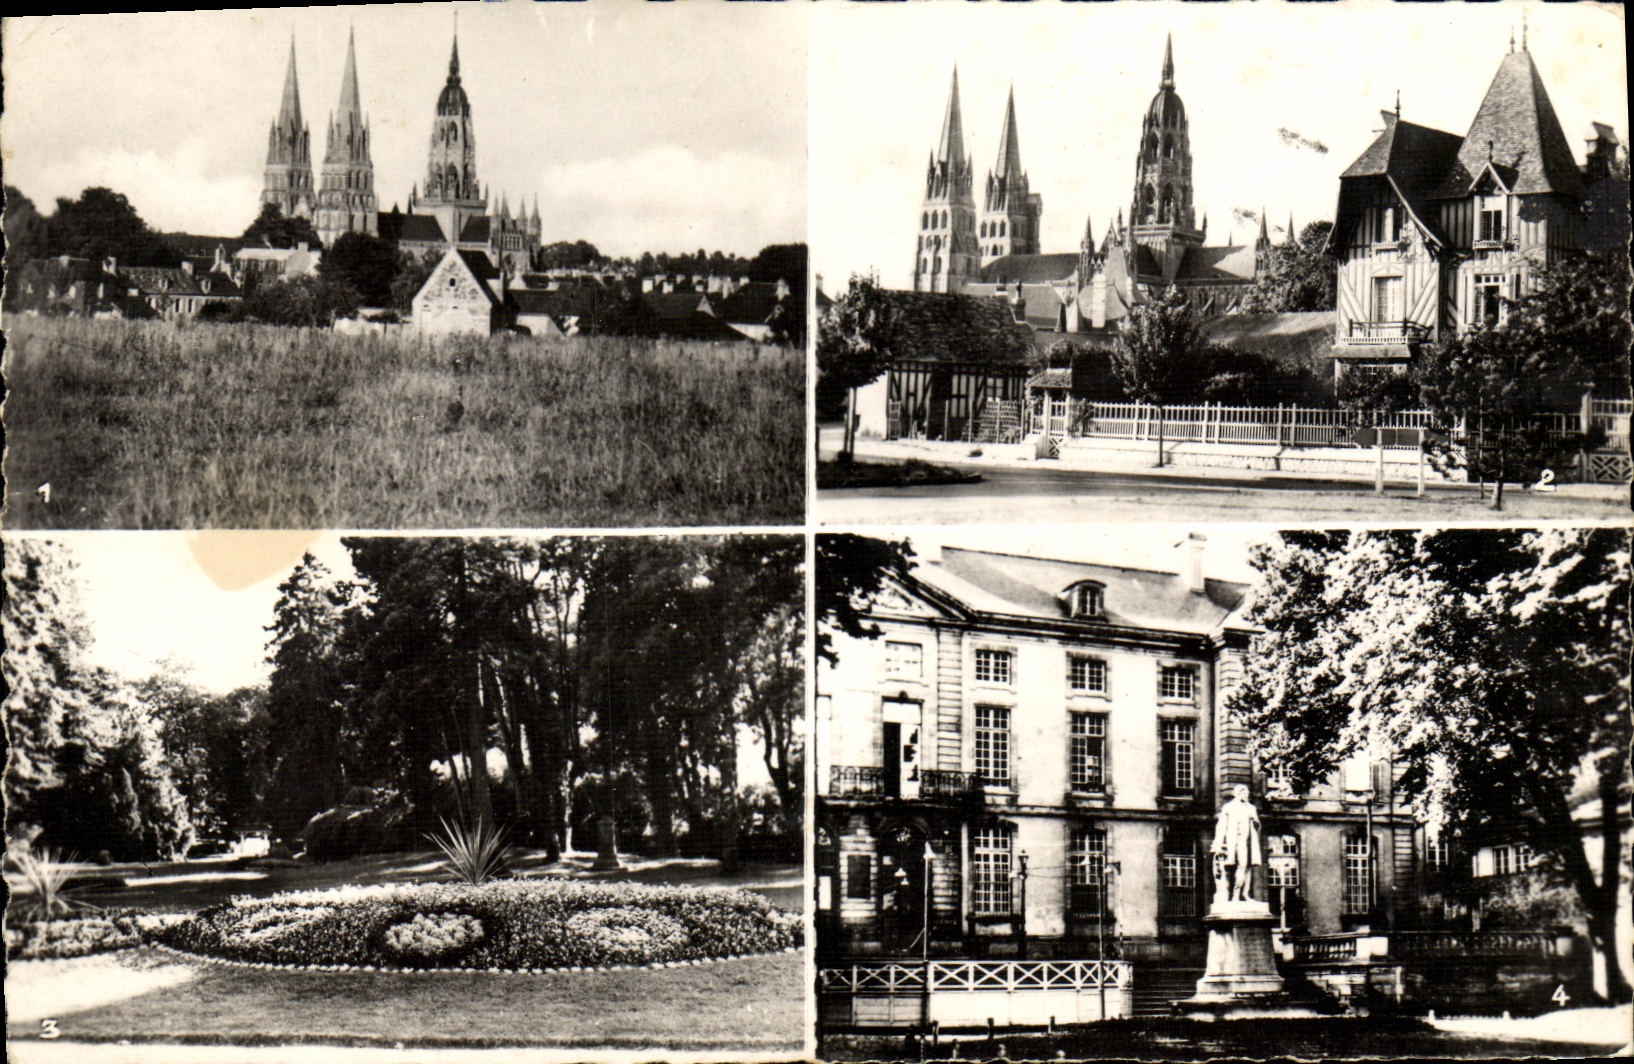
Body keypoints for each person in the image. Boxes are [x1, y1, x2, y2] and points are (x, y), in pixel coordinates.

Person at [1212, 784, 1261, 902]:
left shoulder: (1251, 808)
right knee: (1232, 868)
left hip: (1247, 842)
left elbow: (1257, 825)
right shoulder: (1228, 807)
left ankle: (1243, 893)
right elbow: (1221, 826)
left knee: (1246, 867)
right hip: (1232, 842)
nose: (1246, 795)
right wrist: (1217, 845)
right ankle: (1234, 894)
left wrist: (1255, 821)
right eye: (1244, 793)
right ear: (1238, 794)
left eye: (1247, 793)